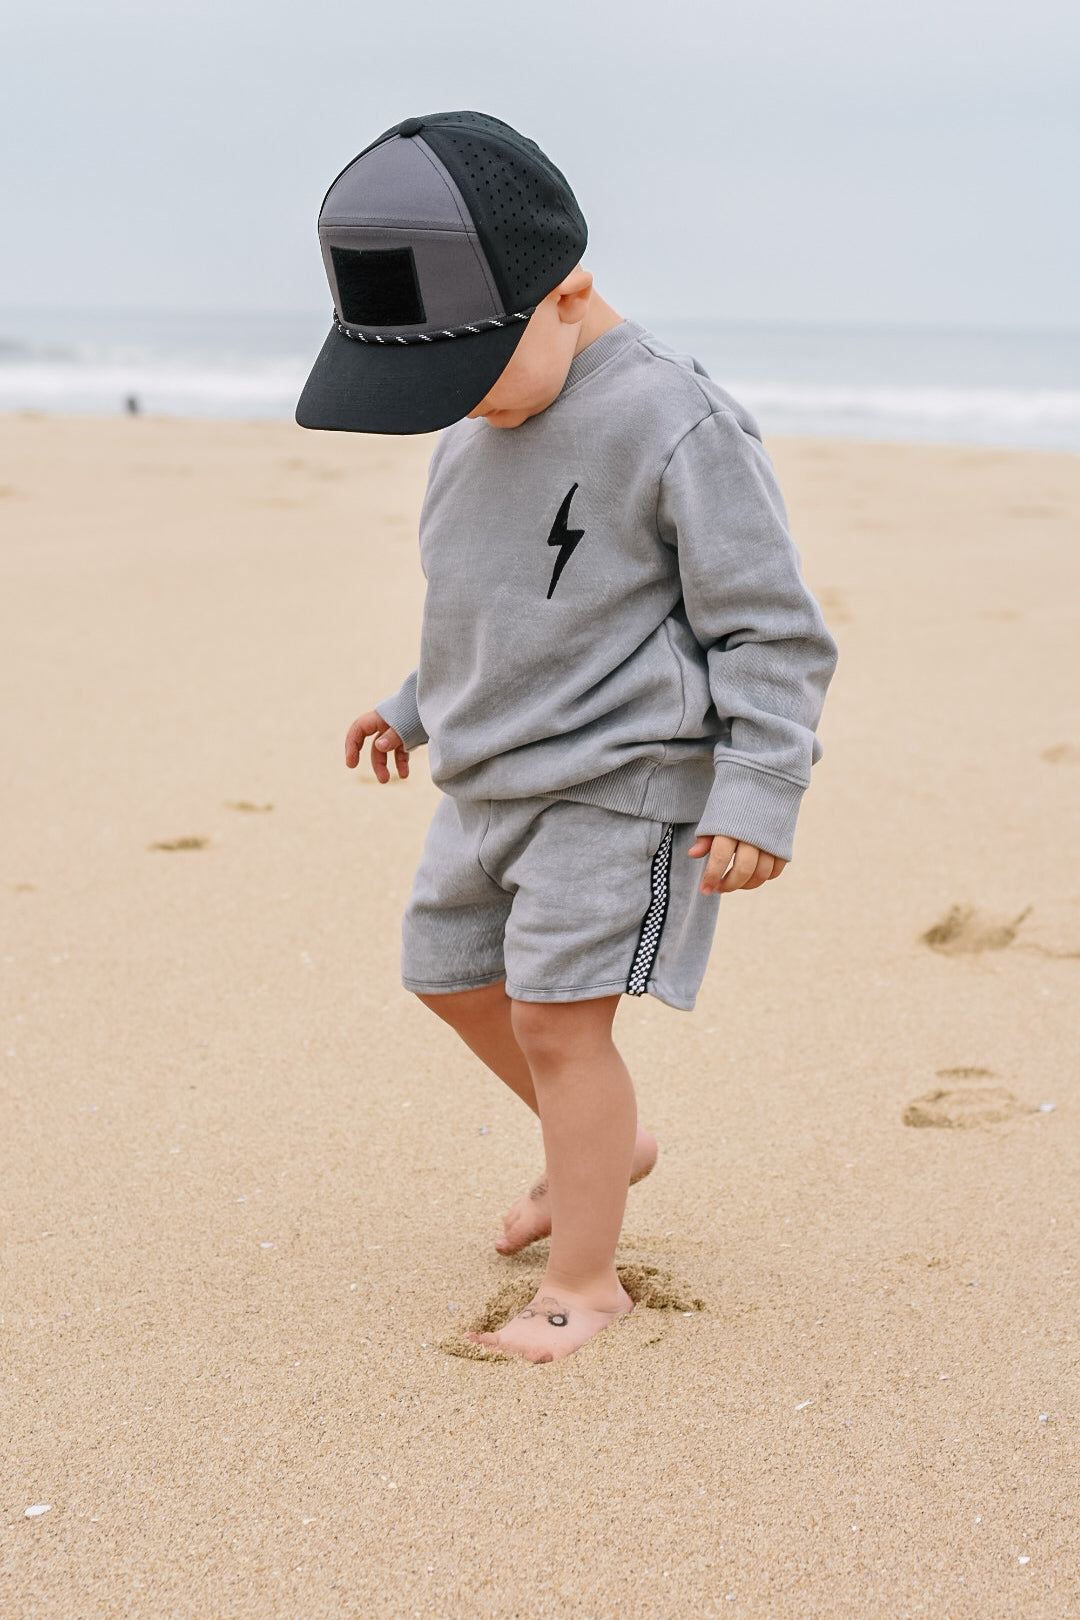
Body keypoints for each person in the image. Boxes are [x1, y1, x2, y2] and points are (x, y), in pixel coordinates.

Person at [296, 111, 837, 1363]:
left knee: (559, 1019)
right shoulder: (477, 423)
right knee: (444, 973)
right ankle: (599, 1146)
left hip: (624, 779)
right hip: (488, 772)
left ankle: (586, 1282)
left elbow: (773, 630)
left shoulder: (674, 425)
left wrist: (758, 788)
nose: (462, 406)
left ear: (569, 294)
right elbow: (482, 601)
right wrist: (413, 704)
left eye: (472, 371)